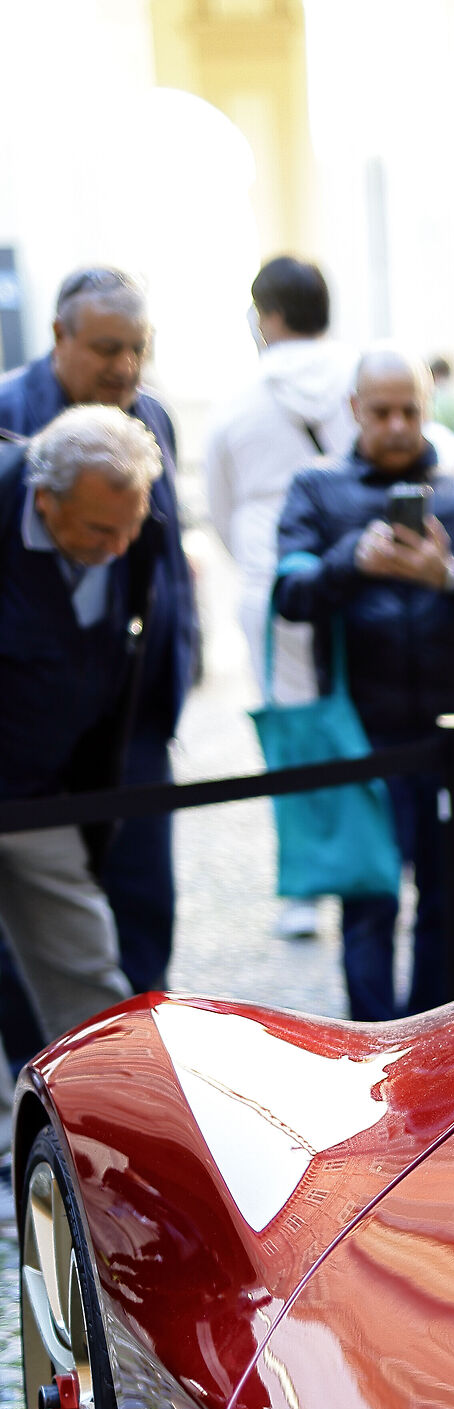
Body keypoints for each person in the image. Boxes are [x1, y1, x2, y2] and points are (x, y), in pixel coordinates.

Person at [274, 349, 454, 1020]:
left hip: (451, 727)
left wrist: (449, 574)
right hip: (359, 730)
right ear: (354, 409)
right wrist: (351, 560)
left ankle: (435, 1043)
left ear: (427, 407)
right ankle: (371, 1045)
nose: (397, 426)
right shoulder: (316, 487)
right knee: (368, 899)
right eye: (381, 412)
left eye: (409, 411)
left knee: (446, 898)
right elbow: (290, 593)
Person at [0, 266, 197, 997]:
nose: (125, 367)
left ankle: (132, 1048)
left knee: (141, 902)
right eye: (108, 348)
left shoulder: (153, 417)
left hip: (130, 706)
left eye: (138, 348)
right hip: (23, 730)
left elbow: (161, 556)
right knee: (34, 935)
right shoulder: (9, 419)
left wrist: (175, 667)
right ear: (61, 336)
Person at [0, 408, 173, 1081]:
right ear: (45, 500)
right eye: (102, 530)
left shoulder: (133, 532)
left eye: (131, 526)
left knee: (86, 968)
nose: (120, 546)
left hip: (44, 790)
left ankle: (105, 1111)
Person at [205, 255, 355, 939]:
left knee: (293, 735)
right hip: (359, 570)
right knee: (366, 724)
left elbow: (220, 506)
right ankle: (376, 862)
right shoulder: (362, 377)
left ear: (267, 315)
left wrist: (257, 566)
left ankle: (306, 888)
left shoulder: (239, 400)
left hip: (273, 587)